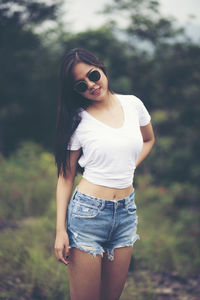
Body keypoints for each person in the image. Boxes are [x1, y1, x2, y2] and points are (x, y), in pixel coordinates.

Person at [54, 48, 155, 300]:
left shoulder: (133, 104)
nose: (91, 84)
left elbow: (148, 139)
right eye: (81, 85)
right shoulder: (78, 119)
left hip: (126, 214)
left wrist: (129, 165)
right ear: (75, 92)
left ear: (101, 68)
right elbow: (66, 177)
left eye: (93, 75)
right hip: (87, 216)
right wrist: (60, 230)